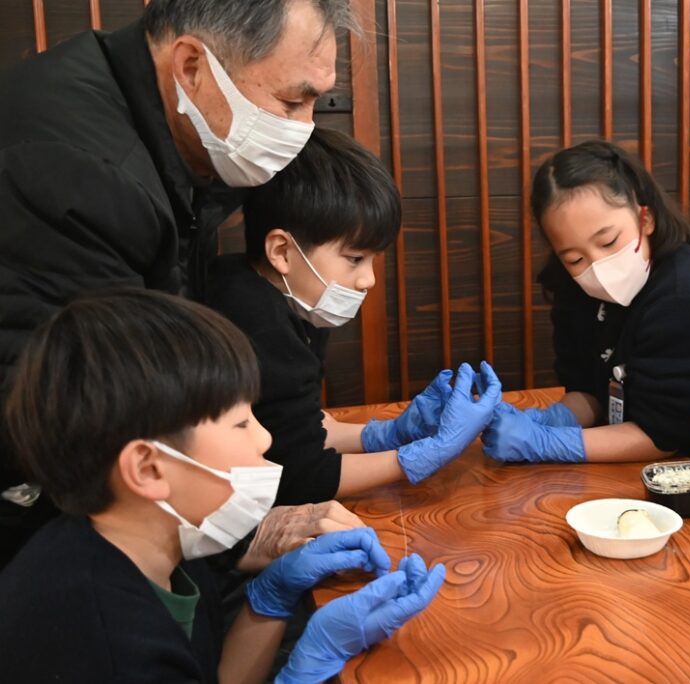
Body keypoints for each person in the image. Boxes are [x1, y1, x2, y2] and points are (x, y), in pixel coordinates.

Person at [0, 0, 349, 566]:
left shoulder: (170, 126)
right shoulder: (81, 171)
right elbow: (93, 413)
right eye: (291, 101)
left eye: (317, 101)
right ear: (191, 66)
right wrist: (242, 534)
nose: (304, 128)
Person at [0, 289, 445, 682]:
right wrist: (309, 664)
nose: (264, 437)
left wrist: (270, 599)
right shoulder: (104, 644)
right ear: (149, 470)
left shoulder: (162, 543)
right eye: (240, 423)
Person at [206, 129, 502, 505]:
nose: (369, 279)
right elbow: (302, 476)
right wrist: (424, 455)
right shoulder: (257, 322)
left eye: (373, 259)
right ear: (281, 250)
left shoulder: (287, 296)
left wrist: (389, 433)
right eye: (354, 259)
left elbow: (298, 428)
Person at [481, 140, 690, 465]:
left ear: (644, 219)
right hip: (634, 469)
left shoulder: (680, 301)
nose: (597, 266)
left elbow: (662, 436)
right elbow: (587, 392)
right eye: (575, 258)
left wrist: (547, 442)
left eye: (608, 241)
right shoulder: (572, 289)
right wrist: (550, 420)